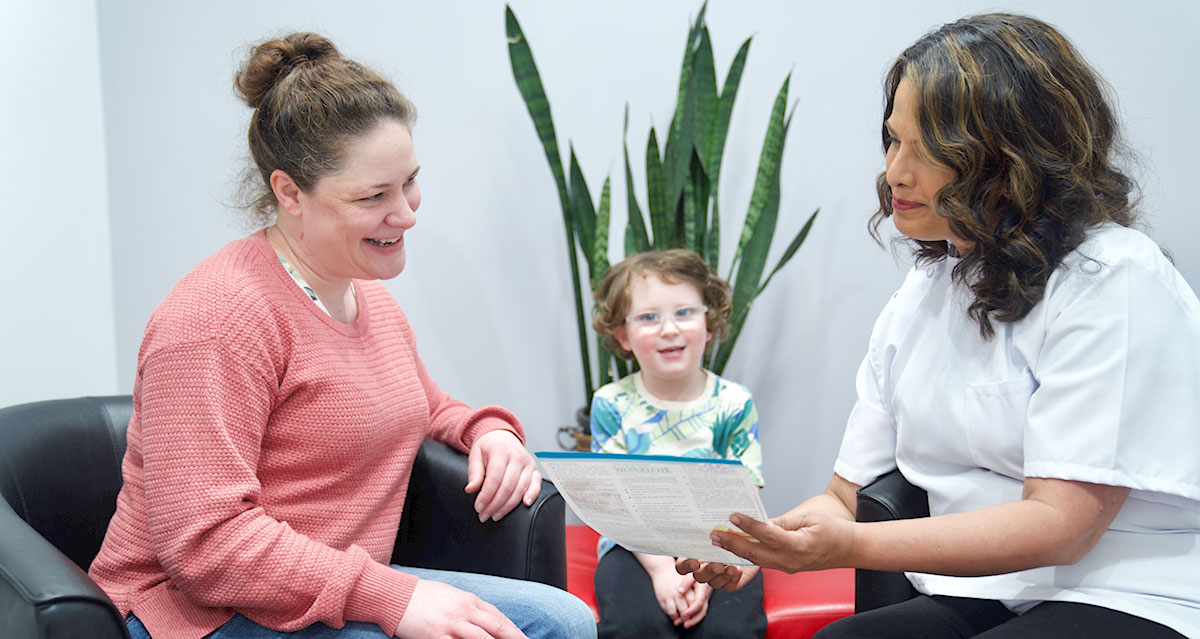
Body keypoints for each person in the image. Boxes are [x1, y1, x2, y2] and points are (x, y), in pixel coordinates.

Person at [676, 13, 1200, 639]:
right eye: (892, 141)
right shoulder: (924, 291)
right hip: (996, 595)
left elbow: (1063, 527)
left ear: (1013, 158)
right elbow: (843, 497)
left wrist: (845, 548)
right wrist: (760, 542)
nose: (895, 172)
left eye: (927, 150)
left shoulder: (1113, 279)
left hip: (1130, 593)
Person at [87, 32, 597, 639]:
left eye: (409, 181)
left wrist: (486, 430)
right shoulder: (215, 321)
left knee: (563, 622)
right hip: (201, 613)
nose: (407, 213)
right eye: (373, 196)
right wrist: (392, 597)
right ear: (289, 193)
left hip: (333, 588)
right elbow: (205, 545)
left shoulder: (364, 294)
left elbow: (423, 404)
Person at [588, 249, 767, 639]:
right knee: (636, 627)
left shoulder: (734, 402)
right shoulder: (610, 404)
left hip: (723, 544)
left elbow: (745, 495)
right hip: (633, 546)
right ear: (623, 335)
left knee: (731, 632)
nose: (669, 329)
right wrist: (660, 569)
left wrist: (708, 570)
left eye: (684, 312)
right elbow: (613, 501)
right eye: (649, 317)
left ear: (708, 325)